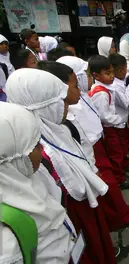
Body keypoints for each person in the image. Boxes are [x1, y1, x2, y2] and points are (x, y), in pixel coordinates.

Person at [6, 68, 116, 264]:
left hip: (81, 206)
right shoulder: (29, 151)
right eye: (61, 102)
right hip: (71, 212)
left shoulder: (57, 129)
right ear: (45, 107)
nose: (67, 107)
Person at [42, 59, 129, 232]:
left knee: (108, 183)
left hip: (96, 145)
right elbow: (81, 139)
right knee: (107, 186)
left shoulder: (81, 97)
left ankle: (117, 215)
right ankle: (118, 217)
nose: (89, 79)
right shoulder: (66, 112)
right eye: (81, 79)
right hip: (91, 152)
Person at [0, 102, 75, 264]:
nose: (42, 147)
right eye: (34, 145)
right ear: (12, 159)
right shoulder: (6, 243)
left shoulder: (30, 173)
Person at [88, 55, 129, 189]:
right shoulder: (101, 94)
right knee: (116, 154)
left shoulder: (108, 87)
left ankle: (123, 168)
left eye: (111, 72)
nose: (112, 76)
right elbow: (104, 116)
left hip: (113, 126)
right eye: (107, 73)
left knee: (120, 150)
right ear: (96, 75)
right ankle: (120, 179)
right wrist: (119, 120)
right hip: (109, 128)